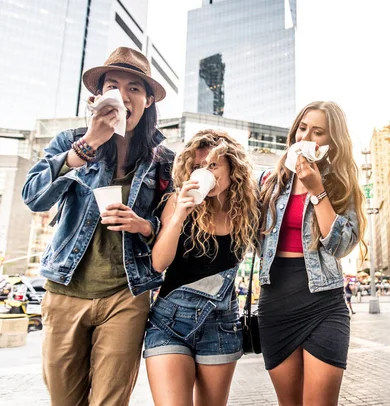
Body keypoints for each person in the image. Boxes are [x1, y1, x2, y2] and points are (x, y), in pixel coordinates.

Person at [21, 47, 174, 405]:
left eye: (134, 88)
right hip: (65, 291)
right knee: (64, 399)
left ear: (149, 100)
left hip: (126, 294)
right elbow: (33, 197)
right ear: (97, 96)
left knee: (110, 401)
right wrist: (87, 145)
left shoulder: (164, 161)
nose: (122, 96)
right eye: (113, 86)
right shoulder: (70, 142)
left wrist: (143, 225)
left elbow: (170, 230)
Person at [258, 101, 367, 405]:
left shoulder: (340, 184)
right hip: (276, 304)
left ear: (331, 142)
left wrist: (317, 190)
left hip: (324, 304)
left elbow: (341, 246)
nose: (307, 137)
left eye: (318, 132)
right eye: (302, 128)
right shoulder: (269, 182)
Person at [144, 130, 260, 406]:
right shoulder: (177, 201)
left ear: (232, 165)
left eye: (212, 165)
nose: (204, 172)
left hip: (220, 324)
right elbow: (158, 263)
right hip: (170, 322)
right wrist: (180, 214)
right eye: (197, 167)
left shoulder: (248, 209)